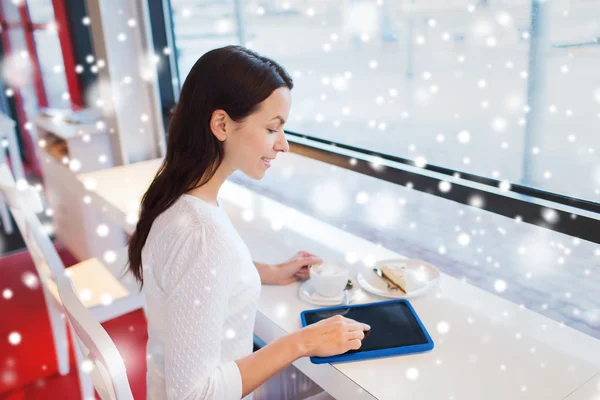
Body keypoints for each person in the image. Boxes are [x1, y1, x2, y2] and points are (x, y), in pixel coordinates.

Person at [126, 45, 370, 400]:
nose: (283, 145)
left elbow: (189, 275)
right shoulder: (203, 235)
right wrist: (301, 342)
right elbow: (194, 395)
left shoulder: (175, 200)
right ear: (221, 124)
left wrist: (266, 272)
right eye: (273, 128)